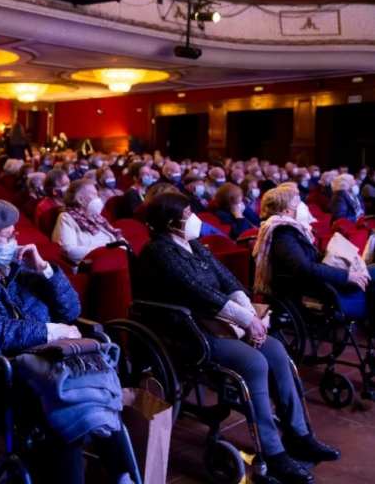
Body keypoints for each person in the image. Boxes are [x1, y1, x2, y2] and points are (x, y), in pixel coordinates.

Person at [139, 192, 341, 483]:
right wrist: (247, 320)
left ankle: (299, 435)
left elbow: (228, 280)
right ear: (171, 223)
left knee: (276, 351)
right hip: (185, 330)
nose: (192, 216)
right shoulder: (158, 251)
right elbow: (198, 290)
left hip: (219, 322)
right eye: (186, 212)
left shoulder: (193, 243)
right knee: (254, 363)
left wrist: (251, 316)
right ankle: (273, 453)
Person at [0, 199, 133, 484]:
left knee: (100, 392)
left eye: (14, 234)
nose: (14, 243)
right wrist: (55, 332)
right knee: (63, 412)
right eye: (5, 236)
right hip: (1, 372)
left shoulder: (21, 271)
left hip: (50, 363)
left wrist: (44, 270)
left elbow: (71, 311)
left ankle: (122, 474)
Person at [51, 179, 122, 263]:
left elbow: (117, 238)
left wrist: (123, 247)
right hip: (92, 264)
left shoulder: (97, 217)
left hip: (112, 258)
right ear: (80, 199)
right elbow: (68, 250)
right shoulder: (66, 217)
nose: (98, 197)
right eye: (94, 194)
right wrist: (105, 251)